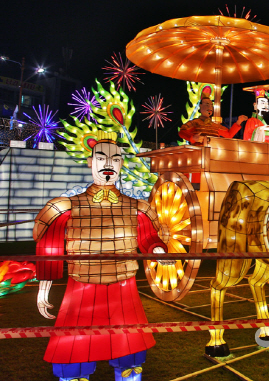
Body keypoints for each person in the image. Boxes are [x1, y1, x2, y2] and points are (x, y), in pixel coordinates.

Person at [33, 131, 172, 381]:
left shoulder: (137, 208)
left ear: (121, 164)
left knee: (128, 350)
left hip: (124, 290)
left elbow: (148, 238)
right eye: (101, 158)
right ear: (90, 162)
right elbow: (51, 245)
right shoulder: (67, 207)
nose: (108, 165)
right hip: (80, 291)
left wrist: (158, 251)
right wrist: (44, 287)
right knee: (74, 350)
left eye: (115, 159)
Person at [179, 97, 248, 145]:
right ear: (200, 106)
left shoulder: (215, 125)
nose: (210, 107)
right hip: (198, 152)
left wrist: (239, 121)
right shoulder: (195, 122)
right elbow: (182, 132)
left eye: (211, 105)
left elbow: (229, 135)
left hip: (213, 152)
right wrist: (192, 138)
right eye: (207, 104)